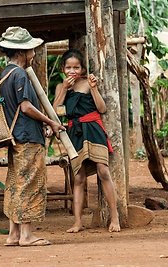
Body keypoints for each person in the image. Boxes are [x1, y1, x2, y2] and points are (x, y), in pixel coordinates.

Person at [0, 26, 65, 246]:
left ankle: (13, 234)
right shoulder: (20, 74)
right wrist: (50, 121)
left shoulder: (4, 74)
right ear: (21, 52)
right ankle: (26, 235)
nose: (33, 53)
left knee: (16, 183)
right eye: (31, 50)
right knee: (30, 184)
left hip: (15, 136)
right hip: (27, 138)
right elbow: (25, 107)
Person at [52, 48, 121, 233]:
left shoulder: (88, 83)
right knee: (79, 178)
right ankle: (77, 222)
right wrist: (64, 90)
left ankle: (115, 217)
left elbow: (102, 108)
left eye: (76, 67)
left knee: (103, 170)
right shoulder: (61, 87)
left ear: (82, 69)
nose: (72, 71)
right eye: (68, 67)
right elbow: (54, 111)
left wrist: (94, 88)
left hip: (93, 129)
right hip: (75, 132)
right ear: (63, 68)